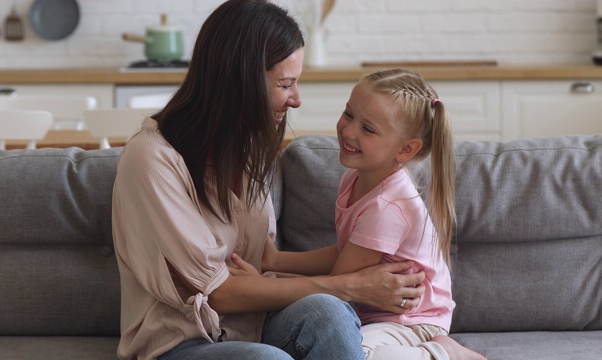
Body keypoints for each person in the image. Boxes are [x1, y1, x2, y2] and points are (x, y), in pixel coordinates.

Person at [111, 1, 426, 359]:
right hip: (181, 343)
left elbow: (262, 262)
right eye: (285, 84)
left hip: (256, 326)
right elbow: (219, 293)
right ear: (241, 80)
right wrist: (353, 286)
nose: (296, 100)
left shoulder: (243, 149)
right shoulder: (152, 159)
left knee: (330, 313)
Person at [261, 69, 486, 360]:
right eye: (348, 114)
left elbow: (337, 283)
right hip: (376, 313)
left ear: (406, 149)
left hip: (413, 319)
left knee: (357, 354)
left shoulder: (388, 206)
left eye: (368, 129)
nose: (349, 130)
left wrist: (268, 282)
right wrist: (276, 261)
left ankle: (442, 354)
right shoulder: (354, 180)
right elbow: (346, 256)